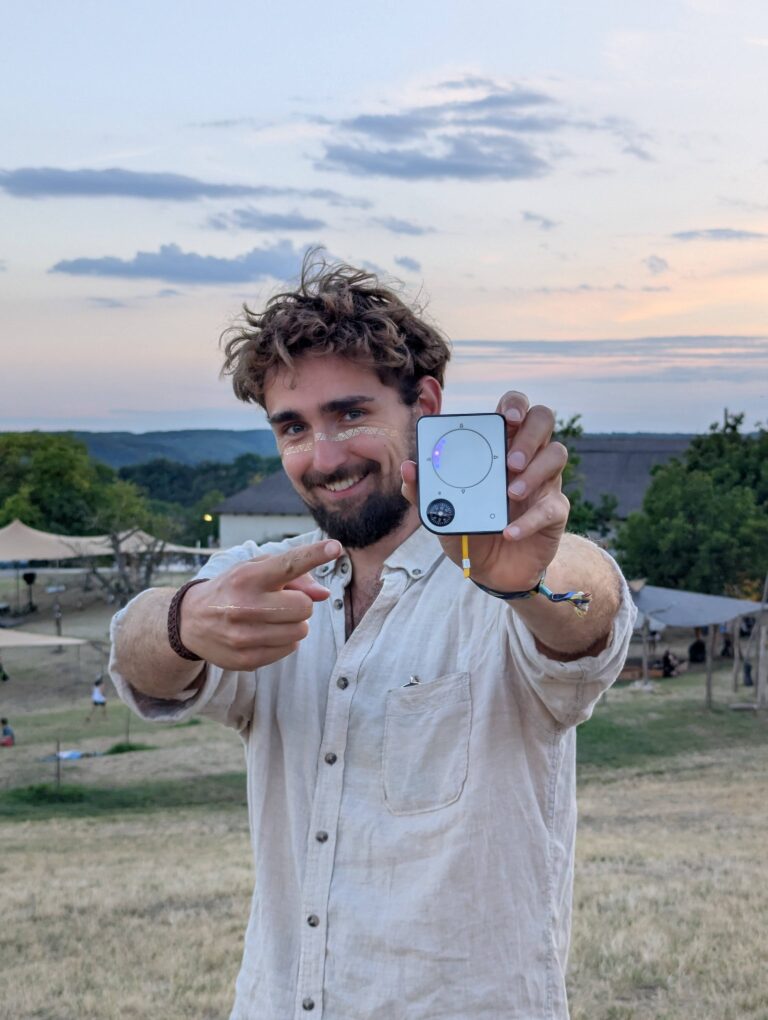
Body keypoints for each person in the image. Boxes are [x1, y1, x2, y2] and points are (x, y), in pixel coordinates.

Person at [109, 255, 635, 1020]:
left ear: (424, 404)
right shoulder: (267, 585)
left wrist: (531, 576)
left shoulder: (499, 581)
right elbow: (136, 656)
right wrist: (184, 620)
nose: (323, 457)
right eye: (294, 427)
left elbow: (590, 609)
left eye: (350, 414)